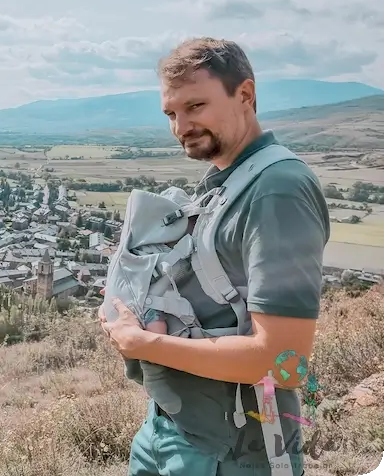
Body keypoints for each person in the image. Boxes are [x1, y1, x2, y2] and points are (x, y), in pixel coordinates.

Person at [99, 37, 329, 476]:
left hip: (234, 451)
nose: (181, 126)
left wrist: (143, 344)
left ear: (245, 95)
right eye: (171, 113)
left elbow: (284, 361)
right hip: (172, 429)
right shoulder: (227, 181)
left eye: (196, 106)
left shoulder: (277, 189)